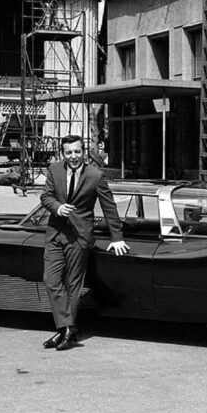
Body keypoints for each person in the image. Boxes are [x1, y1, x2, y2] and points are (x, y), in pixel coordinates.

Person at [39, 134, 129, 350]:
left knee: (73, 285)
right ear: (63, 153)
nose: (73, 156)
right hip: (55, 234)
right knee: (50, 280)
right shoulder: (54, 170)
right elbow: (46, 196)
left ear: (83, 152)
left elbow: (109, 207)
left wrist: (117, 237)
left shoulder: (95, 175)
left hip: (79, 237)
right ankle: (67, 328)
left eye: (77, 152)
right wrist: (58, 207)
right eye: (69, 152)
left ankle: (64, 331)